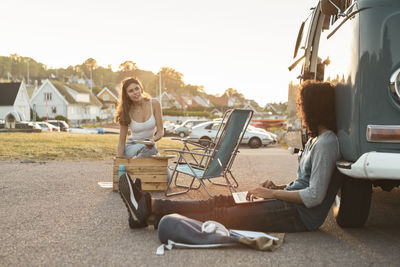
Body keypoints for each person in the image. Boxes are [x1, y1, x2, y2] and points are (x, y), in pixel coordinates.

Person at [119, 81, 341, 232]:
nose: (301, 111)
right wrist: (278, 187)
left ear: (315, 108)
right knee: (221, 201)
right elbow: (304, 184)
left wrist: (272, 193)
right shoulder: (315, 139)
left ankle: (147, 210)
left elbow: (314, 196)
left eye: (304, 106)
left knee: (224, 213)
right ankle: (149, 210)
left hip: (300, 216)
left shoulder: (327, 142)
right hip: (289, 202)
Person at [114, 77, 164, 158]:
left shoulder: (154, 103)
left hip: (149, 147)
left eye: (136, 88)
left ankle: (136, 161)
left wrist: (153, 139)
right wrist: (118, 161)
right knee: (151, 150)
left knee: (163, 169)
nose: (135, 92)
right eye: (131, 91)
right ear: (126, 95)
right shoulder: (126, 111)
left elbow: (161, 131)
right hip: (132, 147)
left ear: (141, 88)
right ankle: (136, 162)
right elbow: (121, 141)